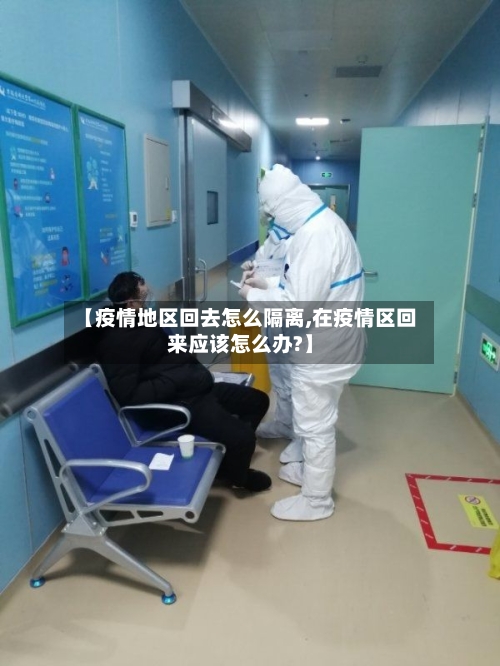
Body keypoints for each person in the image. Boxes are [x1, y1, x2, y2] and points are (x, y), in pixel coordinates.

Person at [239, 165, 365, 521]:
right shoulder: (322, 225)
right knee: (314, 418)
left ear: (283, 205)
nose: (272, 221)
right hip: (330, 342)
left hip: (324, 350)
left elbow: (298, 307)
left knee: (315, 424)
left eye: (271, 213)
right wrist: (267, 285)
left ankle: (316, 500)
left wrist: (252, 295)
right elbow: (304, 288)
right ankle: (310, 472)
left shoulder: (315, 235)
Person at [96, 271, 272, 494]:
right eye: (144, 296)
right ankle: (238, 477)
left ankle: (229, 455)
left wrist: (190, 373)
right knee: (243, 439)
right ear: (130, 303)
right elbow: (130, 395)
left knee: (258, 401)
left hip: (193, 390)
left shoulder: (140, 321)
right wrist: (179, 380)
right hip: (179, 404)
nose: (149, 299)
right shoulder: (118, 342)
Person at [240, 221, 303, 464]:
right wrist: (252, 269)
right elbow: (264, 263)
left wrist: (266, 285)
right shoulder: (274, 238)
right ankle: (284, 423)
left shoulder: (305, 240)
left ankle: (301, 436)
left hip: (294, 321)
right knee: (278, 373)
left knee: (296, 378)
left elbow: (297, 286)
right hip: (272, 317)